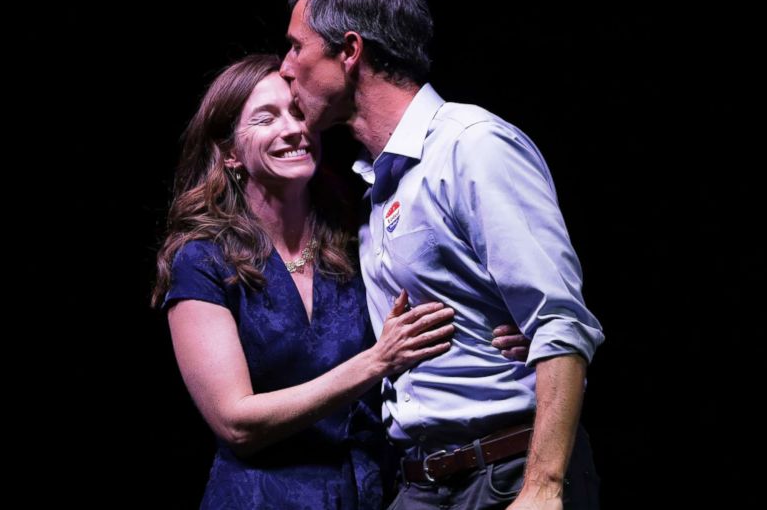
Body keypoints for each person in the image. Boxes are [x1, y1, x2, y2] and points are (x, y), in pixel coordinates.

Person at [280, 0, 606, 509]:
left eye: (295, 47)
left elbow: (560, 319)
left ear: (350, 50)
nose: (285, 67)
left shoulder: (471, 145)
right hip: (423, 483)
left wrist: (543, 488)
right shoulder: (374, 185)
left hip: (507, 474)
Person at [150, 54, 530, 509]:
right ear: (230, 152)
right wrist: (374, 362)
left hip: (373, 491)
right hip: (263, 498)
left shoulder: (358, 231)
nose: (292, 129)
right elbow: (236, 423)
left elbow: (437, 315)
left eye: (297, 112)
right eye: (266, 118)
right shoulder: (203, 259)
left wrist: (514, 335)